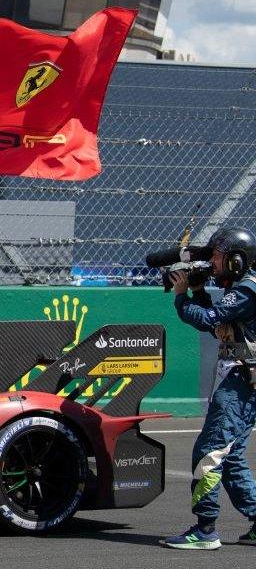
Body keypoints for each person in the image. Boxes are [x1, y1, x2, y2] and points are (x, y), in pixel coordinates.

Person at [162, 226, 256, 550]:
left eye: (217, 257)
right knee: (230, 458)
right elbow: (219, 322)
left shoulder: (248, 291)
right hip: (244, 382)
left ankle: (205, 530)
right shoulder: (244, 288)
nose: (212, 262)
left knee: (209, 453)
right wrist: (199, 290)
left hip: (241, 384)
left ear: (235, 261)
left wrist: (182, 296)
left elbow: (209, 319)